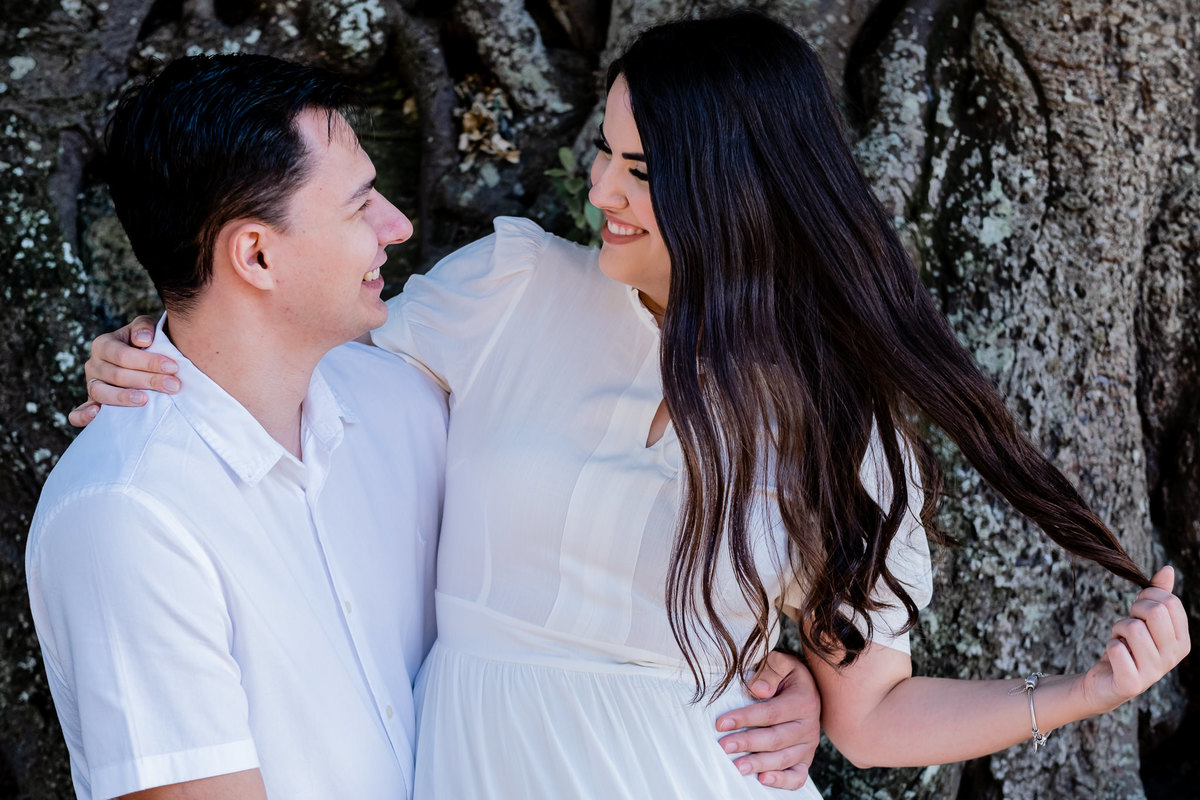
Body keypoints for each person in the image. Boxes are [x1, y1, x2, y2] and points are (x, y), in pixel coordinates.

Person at [74, 10, 1190, 800]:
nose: (601, 189)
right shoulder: (511, 290)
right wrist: (150, 351)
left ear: (737, 188)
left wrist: (1080, 690)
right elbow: (284, 354)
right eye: (606, 152)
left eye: (642, 170)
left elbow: (875, 718)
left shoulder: (841, 430)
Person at [39, 50, 822, 800]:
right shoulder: (129, 514)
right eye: (359, 205)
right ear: (257, 256)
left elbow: (590, 529)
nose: (398, 226)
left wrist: (778, 683)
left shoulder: (405, 405)